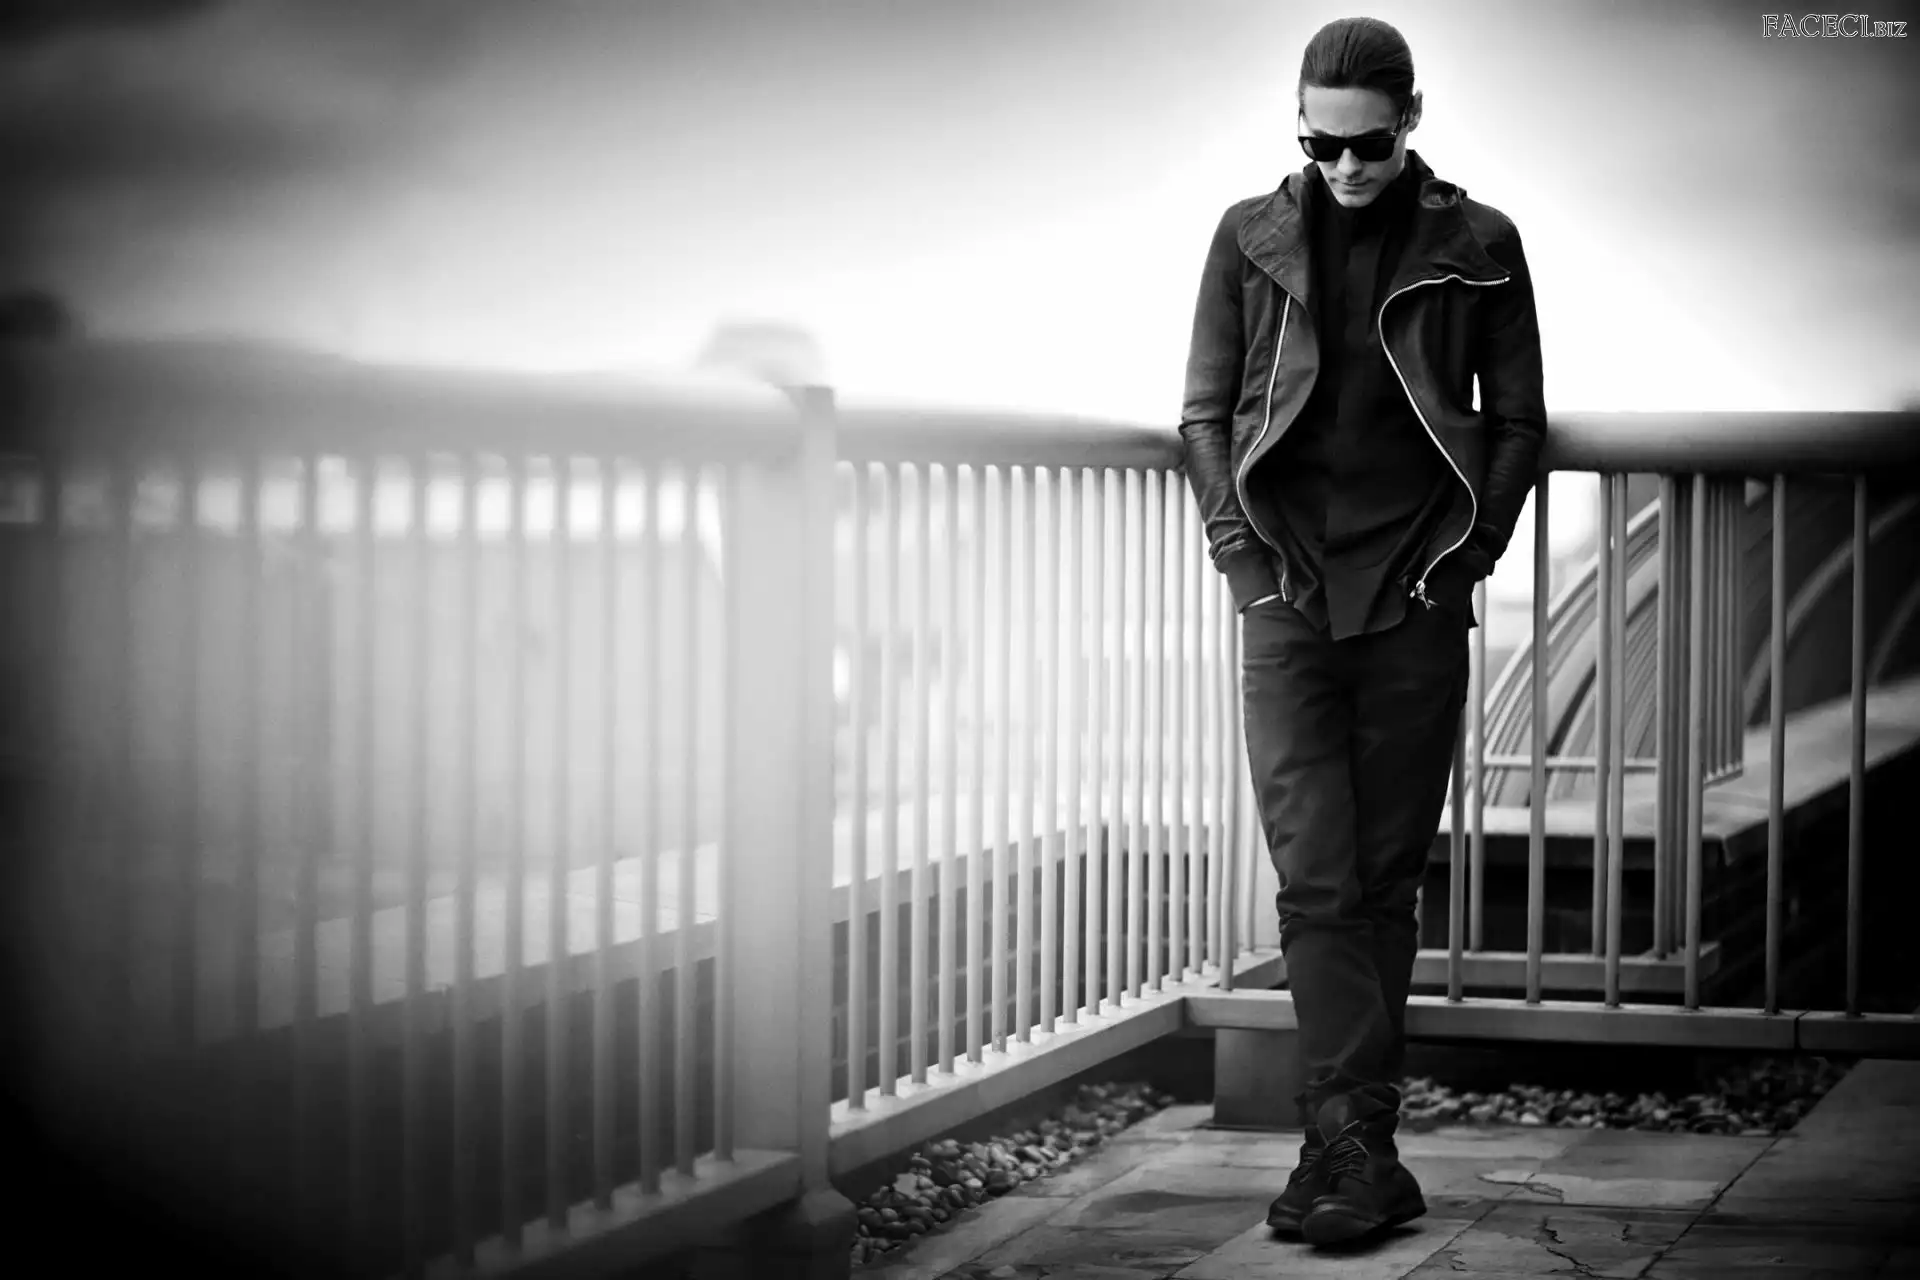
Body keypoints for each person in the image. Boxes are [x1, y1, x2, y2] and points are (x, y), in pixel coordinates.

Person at [1178, 16, 1546, 1248]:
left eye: (1368, 144)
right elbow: (1206, 413)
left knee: (1382, 882)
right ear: (1300, 130)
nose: (1343, 166)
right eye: (1319, 144)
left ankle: (1344, 1151)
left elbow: (1517, 422)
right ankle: (1356, 1149)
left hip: (1413, 598)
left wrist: (1462, 561)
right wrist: (1244, 568)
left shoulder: (1479, 244)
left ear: (1412, 120)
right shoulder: (1250, 236)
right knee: (1316, 878)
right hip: (1284, 598)